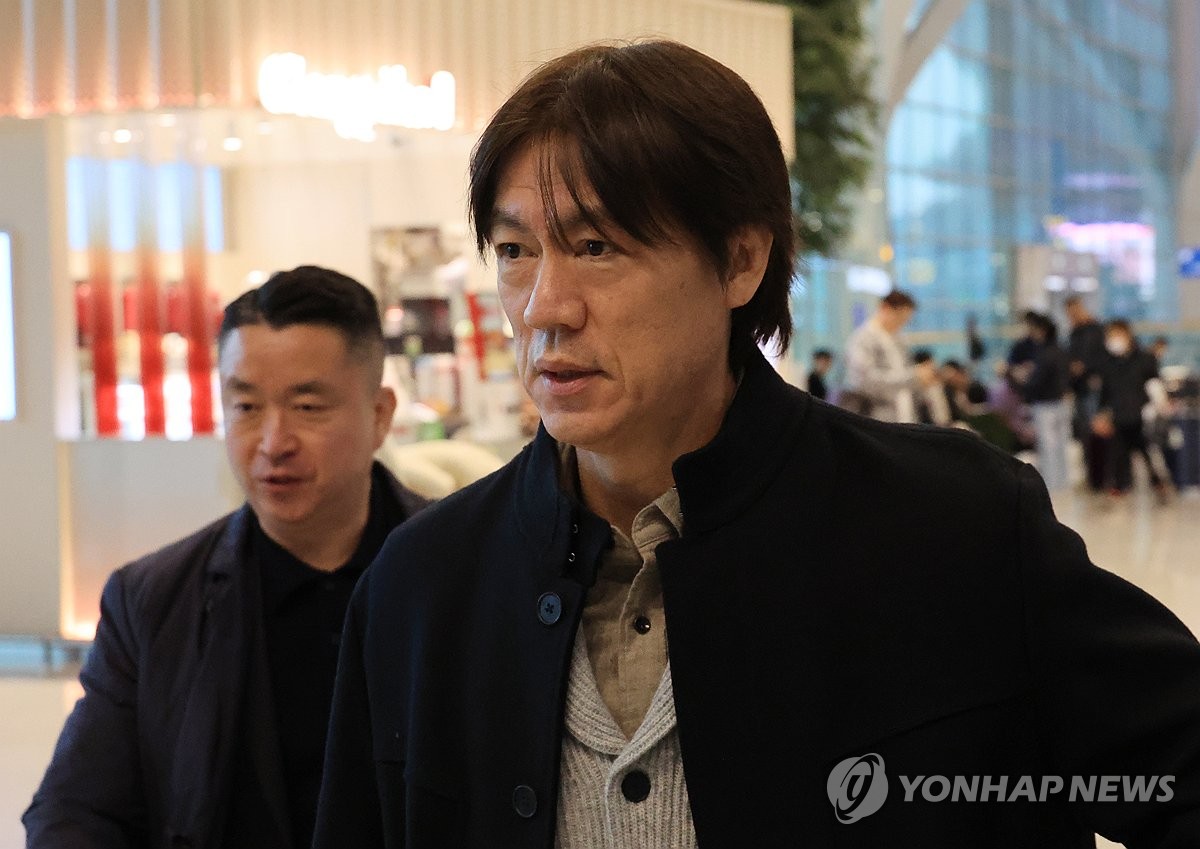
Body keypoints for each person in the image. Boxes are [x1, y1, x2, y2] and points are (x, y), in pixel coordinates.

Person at [315, 41, 1200, 847]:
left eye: (595, 245)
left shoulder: (953, 527)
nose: (545, 305)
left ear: (741, 260)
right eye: (514, 250)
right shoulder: (423, 584)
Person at [25, 266, 427, 849]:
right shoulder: (154, 600)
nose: (273, 443)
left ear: (380, 415)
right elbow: (76, 809)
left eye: (307, 406)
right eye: (245, 407)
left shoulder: (470, 570)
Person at [1096, 318, 1168, 499]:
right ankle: (1121, 484)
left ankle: (1156, 481)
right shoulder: (1108, 363)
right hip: (1119, 414)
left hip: (1141, 414)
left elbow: (1155, 384)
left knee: (1145, 449)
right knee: (1119, 451)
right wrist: (1102, 414)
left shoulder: (1144, 359)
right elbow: (1105, 392)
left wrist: (1160, 404)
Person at [842, 289, 918, 422]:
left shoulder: (899, 340)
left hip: (901, 417)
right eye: (900, 318)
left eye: (906, 320)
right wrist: (912, 378)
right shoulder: (863, 339)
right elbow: (864, 382)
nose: (901, 324)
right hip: (875, 418)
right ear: (885, 308)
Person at [1020, 313, 1071, 491]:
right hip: (1061, 402)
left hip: (1046, 404)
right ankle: (1061, 481)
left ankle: (1051, 483)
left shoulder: (1045, 354)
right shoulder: (1061, 351)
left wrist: (1023, 382)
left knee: (1048, 446)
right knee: (1060, 446)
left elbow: (1037, 382)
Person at [1066, 295, 1107, 490]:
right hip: (1079, 389)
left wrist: (1086, 368)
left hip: (1093, 387)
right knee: (1084, 433)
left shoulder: (1096, 330)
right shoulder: (1075, 333)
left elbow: (1100, 358)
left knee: (1095, 431)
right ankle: (1091, 475)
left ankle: (1101, 476)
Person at [913, 349, 952, 426]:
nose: (933, 366)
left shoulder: (938, 384)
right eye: (931, 362)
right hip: (927, 425)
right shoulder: (917, 388)